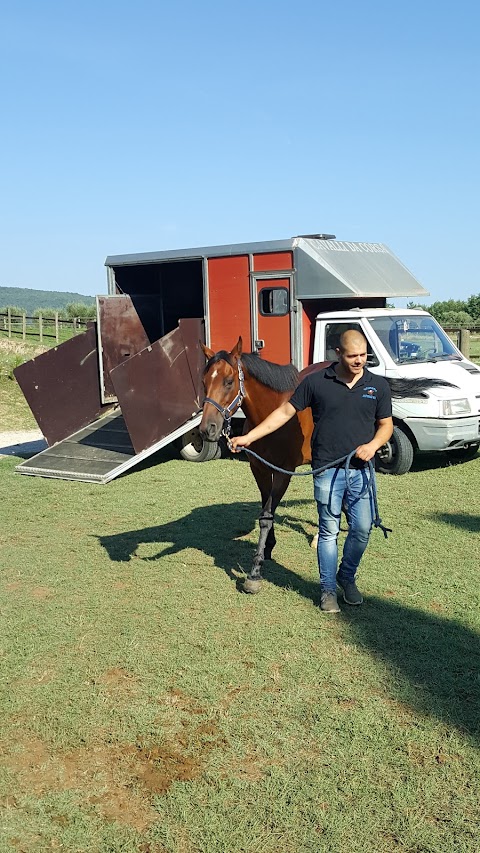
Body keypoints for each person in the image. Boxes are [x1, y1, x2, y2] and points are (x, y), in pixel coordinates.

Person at [230, 330, 393, 613]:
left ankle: (347, 576)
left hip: (361, 470)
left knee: (362, 529)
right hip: (327, 470)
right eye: (353, 356)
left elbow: (386, 424)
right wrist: (248, 437)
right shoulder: (316, 383)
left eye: (363, 355)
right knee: (329, 532)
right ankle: (328, 589)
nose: (359, 361)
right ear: (338, 354)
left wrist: (374, 444)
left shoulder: (377, 385)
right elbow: (283, 413)